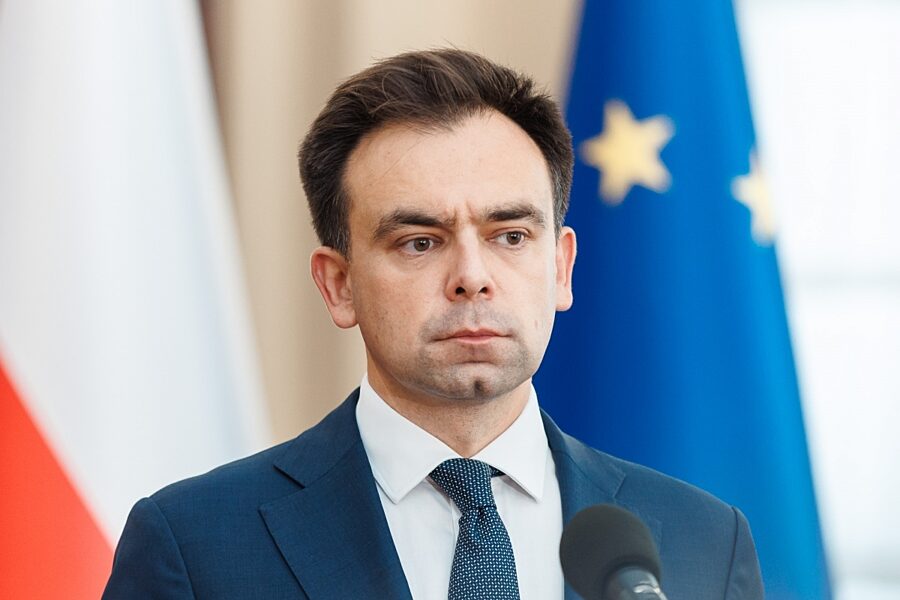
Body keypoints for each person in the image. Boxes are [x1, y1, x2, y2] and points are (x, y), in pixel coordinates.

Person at [103, 48, 764, 599]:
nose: (472, 276)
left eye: (510, 235)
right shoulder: (195, 546)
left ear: (561, 268)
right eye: (419, 242)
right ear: (339, 285)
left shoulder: (704, 540)